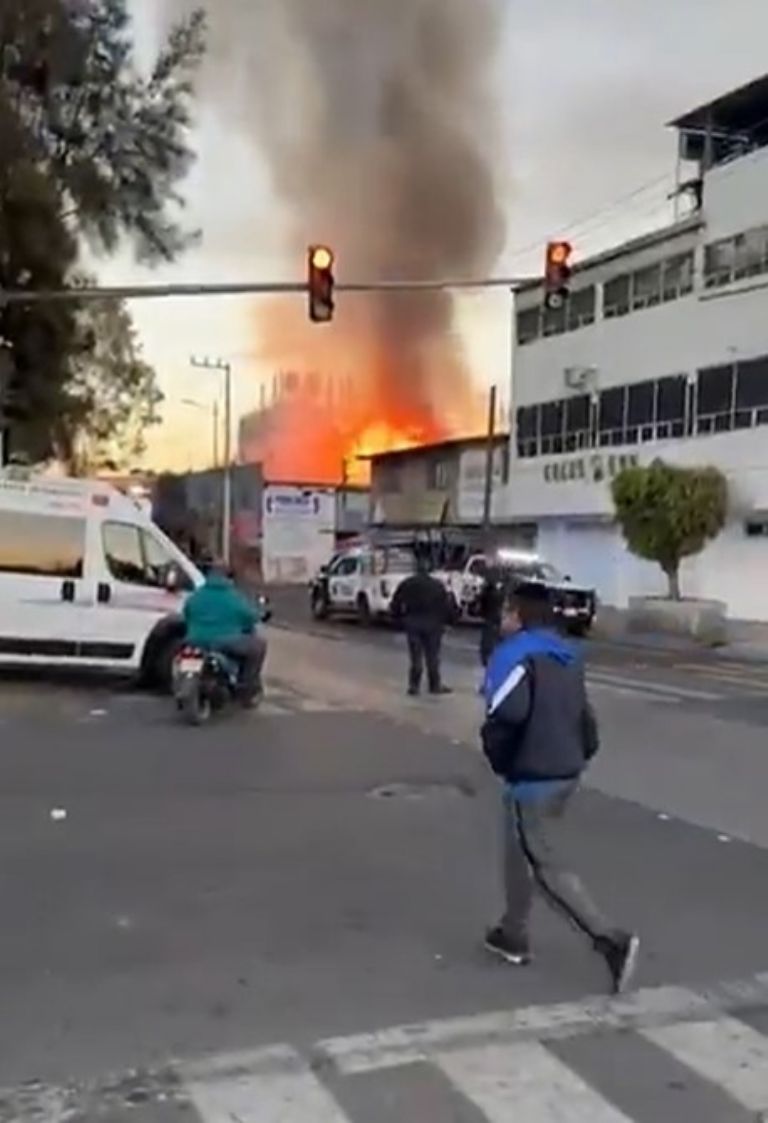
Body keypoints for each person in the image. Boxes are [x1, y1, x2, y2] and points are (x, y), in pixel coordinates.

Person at [480, 581, 639, 995]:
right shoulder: (567, 652)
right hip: (566, 768)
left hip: (532, 773)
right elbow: (581, 711)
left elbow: (507, 713)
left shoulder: (514, 654)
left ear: (518, 615)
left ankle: (610, 940)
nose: (502, 620)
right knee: (518, 848)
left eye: (506, 613)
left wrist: (497, 751)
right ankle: (512, 932)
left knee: (545, 864)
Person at [183, 560, 267, 702]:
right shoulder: (233, 597)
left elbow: (187, 613)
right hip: (225, 641)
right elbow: (249, 616)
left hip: (195, 639)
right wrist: (259, 615)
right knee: (258, 646)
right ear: (228, 576)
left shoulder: (196, 595)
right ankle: (247, 688)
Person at [390, 559, 452, 696]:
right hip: (433, 624)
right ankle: (434, 685)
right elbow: (446, 605)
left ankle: (414, 686)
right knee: (433, 656)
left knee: (416, 656)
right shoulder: (437, 585)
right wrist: (446, 622)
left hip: (413, 623)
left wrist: (399, 620)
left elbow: (396, 603)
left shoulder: (407, 584)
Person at [478, 564, 506, 668]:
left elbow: (482, 602)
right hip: (496, 616)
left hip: (490, 616)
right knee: (495, 638)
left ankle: (486, 657)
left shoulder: (488, 590)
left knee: (488, 638)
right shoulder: (502, 590)